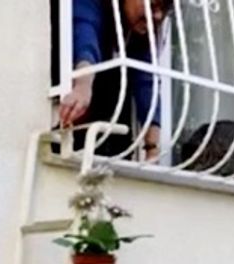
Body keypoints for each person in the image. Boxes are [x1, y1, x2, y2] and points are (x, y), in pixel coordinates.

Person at [53, 0, 171, 159]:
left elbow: (146, 81)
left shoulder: (140, 32)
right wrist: (82, 86)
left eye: (164, 9)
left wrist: (152, 149)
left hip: (101, 135)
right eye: (153, 5)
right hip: (64, 122)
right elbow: (85, 35)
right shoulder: (94, 5)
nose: (158, 15)